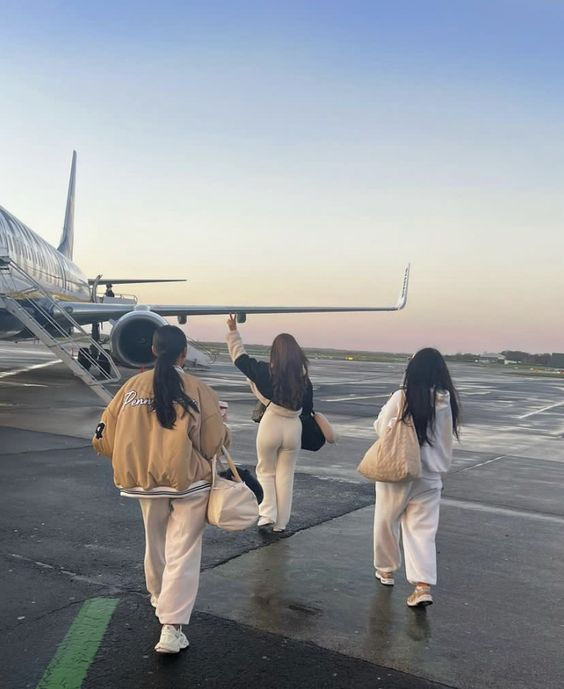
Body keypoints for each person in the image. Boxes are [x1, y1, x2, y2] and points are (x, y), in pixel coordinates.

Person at [92, 325, 229, 653]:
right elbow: (212, 444)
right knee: (183, 549)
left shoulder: (130, 387)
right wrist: (221, 425)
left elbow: (102, 437)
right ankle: (171, 626)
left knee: (154, 543)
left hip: (144, 481)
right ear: (183, 353)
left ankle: (158, 598)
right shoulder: (198, 389)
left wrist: (137, 456)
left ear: (153, 351)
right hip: (189, 482)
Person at [372, 348, 460, 608]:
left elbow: (381, 427)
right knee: (422, 531)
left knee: (386, 521)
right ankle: (422, 586)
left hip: (399, 471)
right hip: (431, 476)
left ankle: (386, 570)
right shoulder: (446, 400)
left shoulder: (403, 397)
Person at [226, 314, 312, 532]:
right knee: (286, 476)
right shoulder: (304, 379)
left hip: (271, 423)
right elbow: (309, 409)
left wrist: (234, 332)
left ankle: (267, 514)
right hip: (293, 428)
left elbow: (239, 358)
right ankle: (281, 523)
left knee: (265, 470)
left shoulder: (266, 371)